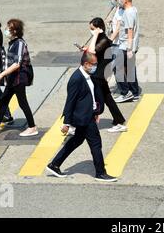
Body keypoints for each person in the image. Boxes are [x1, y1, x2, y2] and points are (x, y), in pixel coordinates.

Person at [46, 52, 117, 182]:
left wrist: (96, 112)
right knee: (96, 143)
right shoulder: (76, 79)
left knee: (77, 140)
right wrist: (66, 123)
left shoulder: (88, 75)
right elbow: (70, 101)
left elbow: (89, 95)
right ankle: (100, 173)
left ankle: (54, 164)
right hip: (83, 118)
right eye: (94, 64)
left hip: (88, 115)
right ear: (86, 64)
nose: (96, 66)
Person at [0, 19, 37, 137]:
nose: (6, 30)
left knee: (22, 103)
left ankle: (32, 127)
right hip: (12, 77)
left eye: (9, 28)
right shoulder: (12, 43)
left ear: (15, 31)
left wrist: (1, 75)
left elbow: (17, 64)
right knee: (4, 99)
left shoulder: (20, 43)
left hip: (19, 77)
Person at [86, 17, 127, 133]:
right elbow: (107, 41)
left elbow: (92, 52)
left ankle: (80, 122)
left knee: (93, 99)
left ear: (99, 29)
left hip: (98, 75)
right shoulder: (102, 39)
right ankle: (119, 121)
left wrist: (94, 35)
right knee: (108, 99)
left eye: (92, 29)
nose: (91, 31)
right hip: (100, 75)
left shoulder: (101, 39)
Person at [115, 0, 141, 103]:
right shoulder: (133, 9)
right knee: (130, 69)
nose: (118, 0)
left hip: (126, 45)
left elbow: (130, 30)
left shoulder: (128, 13)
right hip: (129, 45)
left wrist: (129, 48)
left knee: (117, 68)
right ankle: (135, 93)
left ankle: (125, 92)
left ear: (125, 0)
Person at [108, 0, 124, 96]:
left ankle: (123, 90)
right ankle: (121, 88)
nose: (111, 0)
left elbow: (118, 29)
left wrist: (109, 40)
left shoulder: (121, 11)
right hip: (116, 42)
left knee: (116, 67)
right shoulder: (118, 9)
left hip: (117, 43)